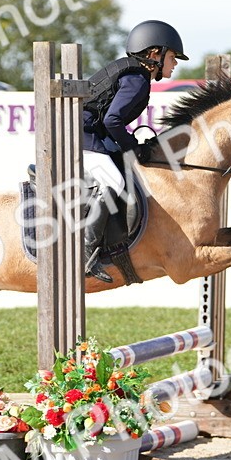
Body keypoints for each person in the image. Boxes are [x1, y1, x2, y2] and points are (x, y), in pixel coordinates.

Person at [81, 19, 188, 282]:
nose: (175, 64)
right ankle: (85, 255)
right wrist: (132, 146)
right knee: (114, 183)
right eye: (172, 57)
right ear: (155, 54)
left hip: (91, 134)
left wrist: (129, 146)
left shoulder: (133, 75)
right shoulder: (137, 79)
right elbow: (112, 121)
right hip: (83, 137)